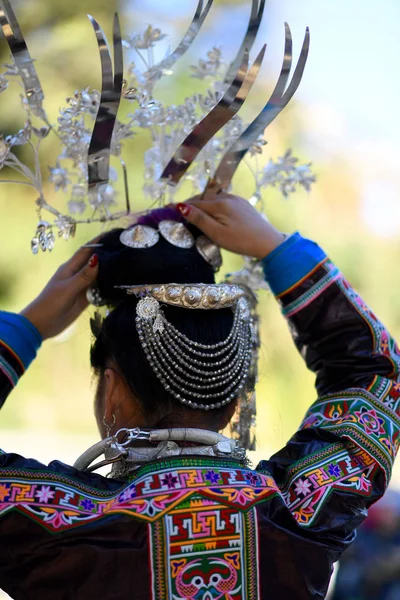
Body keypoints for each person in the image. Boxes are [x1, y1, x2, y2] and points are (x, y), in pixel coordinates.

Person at [0, 193, 399, 600]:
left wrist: (26, 328)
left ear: (113, 392)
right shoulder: (301, 510)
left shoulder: (56, 521)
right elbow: (378, 377)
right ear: (232, 401)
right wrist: (278, 250)